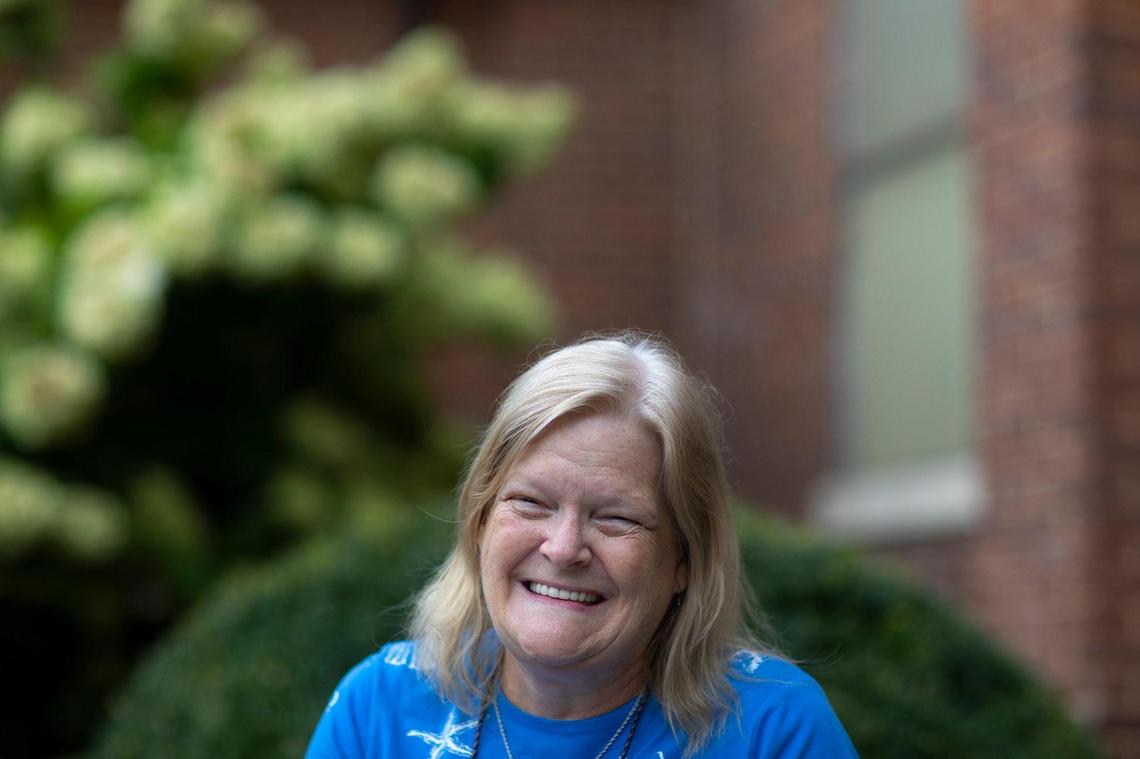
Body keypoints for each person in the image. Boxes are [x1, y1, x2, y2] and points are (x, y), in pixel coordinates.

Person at [305, 332, 858, 758]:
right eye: (532, 503)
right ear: (479, 520)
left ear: (685, 559)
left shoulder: (772, 730)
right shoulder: (378, 706)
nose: (564, 548)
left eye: (615, 518)